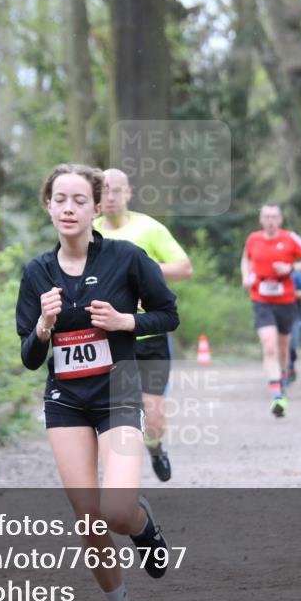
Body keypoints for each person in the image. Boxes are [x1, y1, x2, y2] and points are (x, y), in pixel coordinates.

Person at [16, 164, 178, 601]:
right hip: (66, 401)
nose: (69, 208)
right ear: (48, 204)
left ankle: (143, 527)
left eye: (79, 200)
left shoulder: (126, 259)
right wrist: (43, 327)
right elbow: (29, 357)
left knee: (117, 509)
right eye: (60, 199)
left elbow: (169, 314)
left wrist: (125, 320)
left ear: (97, 207)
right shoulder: (37, 272)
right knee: (88, 516)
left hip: (116, 394)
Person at [94, 168, 193, 482]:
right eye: (104, 190)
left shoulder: (149, 228)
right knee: (116, 411)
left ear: (128, 193)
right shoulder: (88, 231)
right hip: (106, 339)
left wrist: (140, 271)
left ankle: (154, 446)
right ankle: (120, 477)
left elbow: (184, 268)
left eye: (116, 190)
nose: (110, 197)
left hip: (148, 335)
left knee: (153, 415)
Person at [240, 205, 301, 418]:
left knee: (283, 350)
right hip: (261, 299)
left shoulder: (291, 238)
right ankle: (276, 394)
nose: (270, 220)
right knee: (269, 346)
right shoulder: (253, 239)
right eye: (266, 217)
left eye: (274, 217)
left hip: (286, 301)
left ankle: (281, 381)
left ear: (281, 219)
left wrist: (291, 269)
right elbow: (246, 259)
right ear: (261, 219)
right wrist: (246, 276)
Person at [287, 270, 301, 384]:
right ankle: (282, 372)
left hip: (295, 315)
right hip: (274, 315)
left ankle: (291, 366)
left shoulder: (298, 274)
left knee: (293, 345)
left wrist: (287, 292)